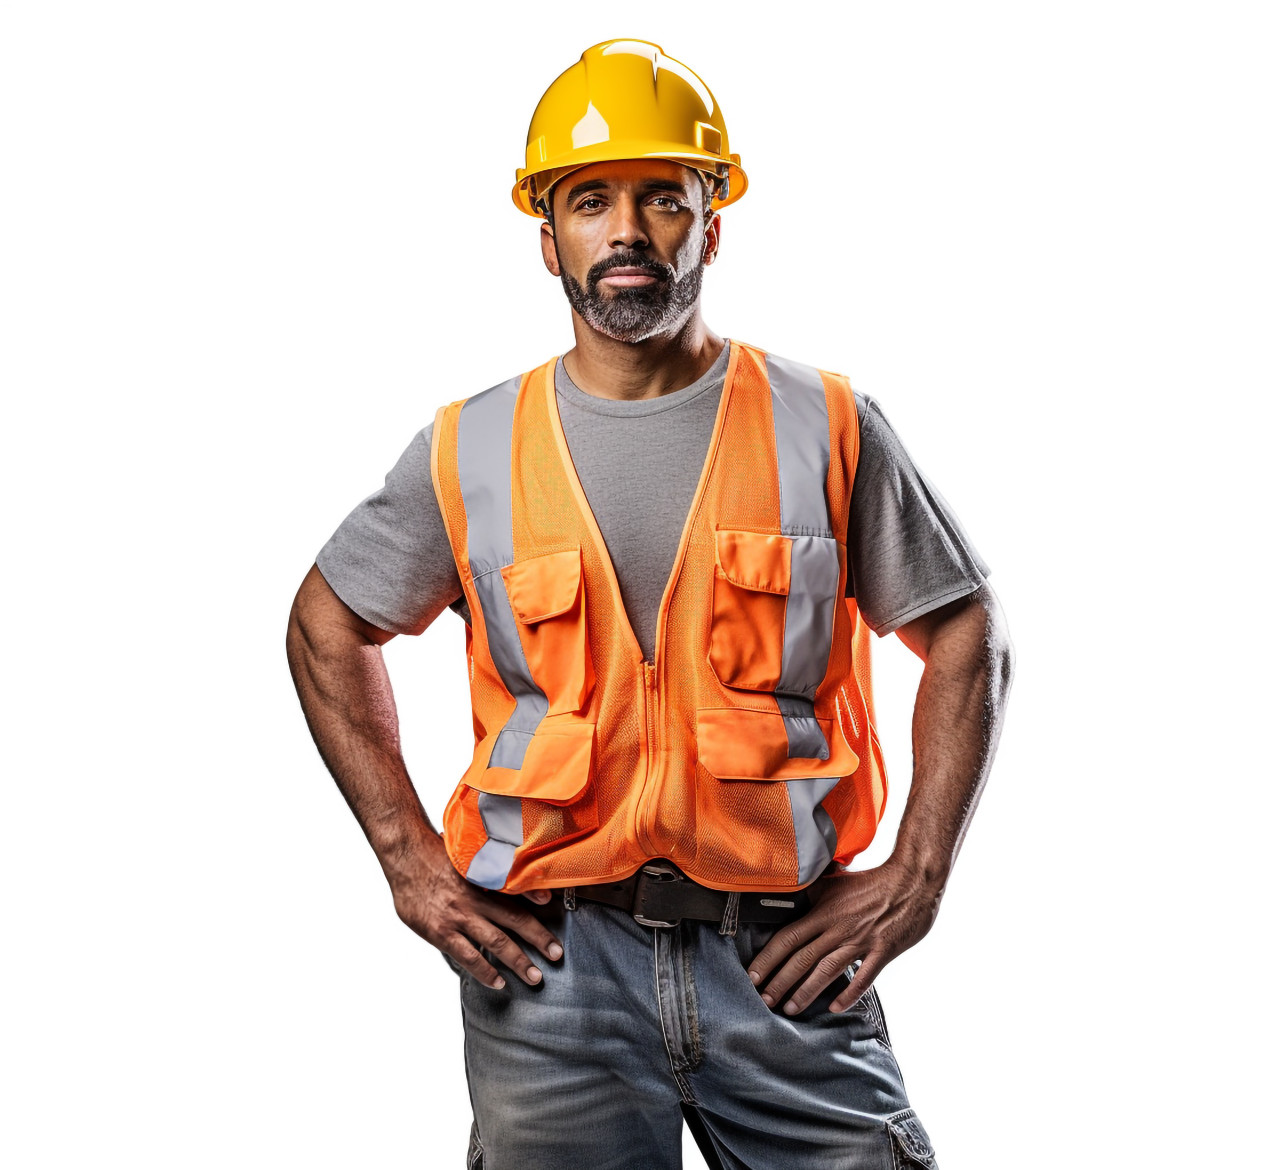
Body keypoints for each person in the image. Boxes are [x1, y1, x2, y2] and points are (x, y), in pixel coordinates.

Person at [286, 38, 1014, 1170]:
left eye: (662, 198)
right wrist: (407, 860)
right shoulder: (471, 448)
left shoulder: (822, 424)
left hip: (784, 964)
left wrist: (917, 877)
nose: (625, 230)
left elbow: (964, 629)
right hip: (551, 974)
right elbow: (326, 623)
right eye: (590, 201)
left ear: (711, 225)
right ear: (548, 238)